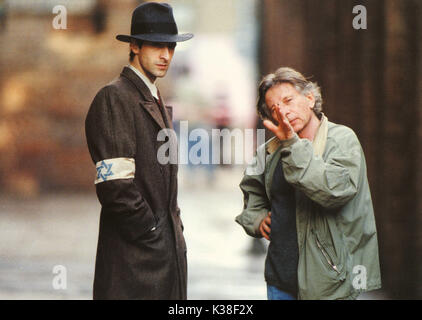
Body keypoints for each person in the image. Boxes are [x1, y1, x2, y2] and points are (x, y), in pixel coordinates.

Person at [235, 67, 381, 300]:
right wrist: (257, 218)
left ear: (310, 98)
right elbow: (252, 190)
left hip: (329, 282)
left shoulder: (342, 139)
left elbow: (333, 190)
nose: (283, 111)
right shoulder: (269, 152)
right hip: (279, 281)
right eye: (275, 108)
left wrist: (293, 145)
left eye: (288, 100)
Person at [85, 2, 193, 300]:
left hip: (163, 259)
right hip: (134, 264)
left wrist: (173, 231)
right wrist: (152, 232)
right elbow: (116, 187)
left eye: (171, 47)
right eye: (157, 46)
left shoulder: (153, 97)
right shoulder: (115, 97)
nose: (166, 55)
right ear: (134, 45)